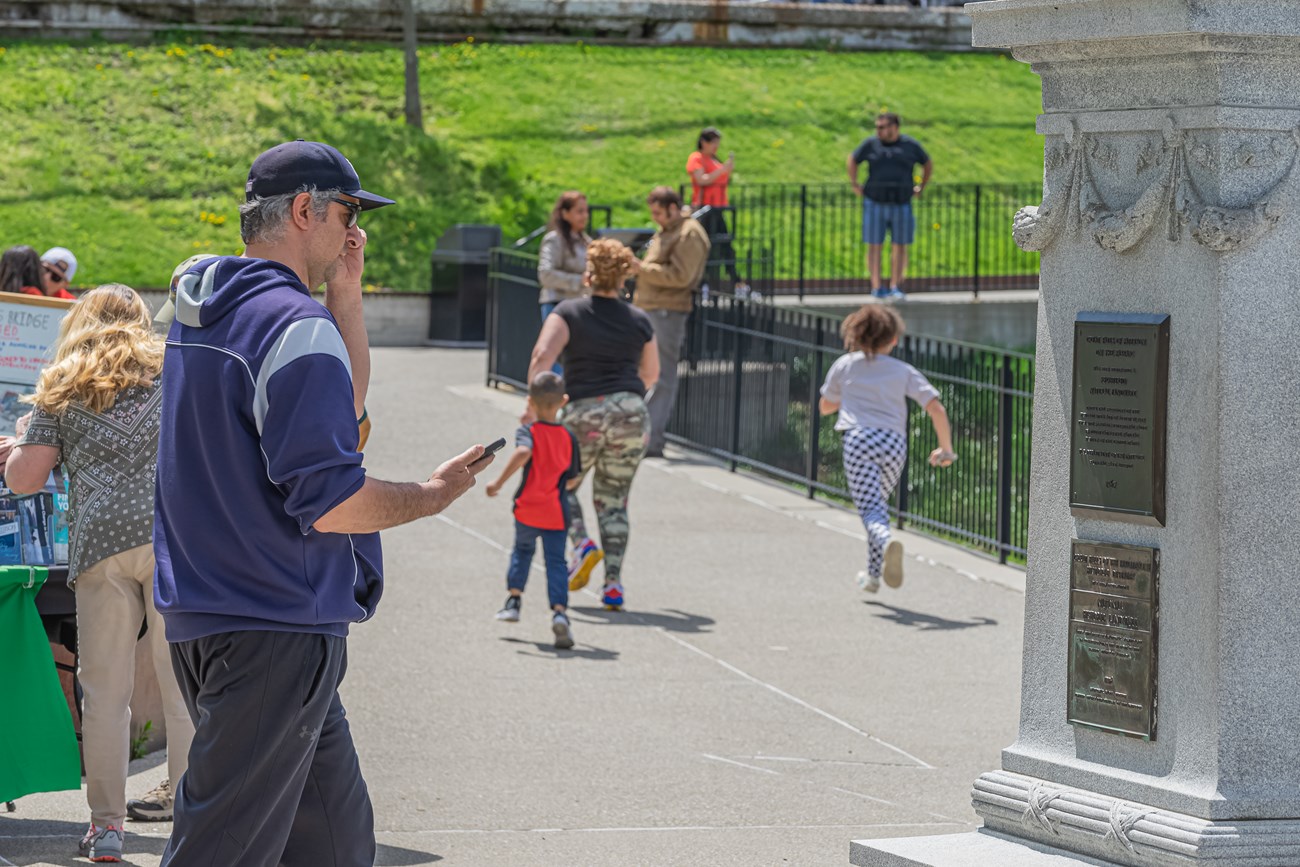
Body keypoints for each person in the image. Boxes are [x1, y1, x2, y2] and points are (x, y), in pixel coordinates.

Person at [152, 140, 494, 867]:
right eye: (347, 212)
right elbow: (333, 502)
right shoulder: (290, 327)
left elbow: (341, 408)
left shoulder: (208, 308)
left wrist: (345, 296)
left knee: (335, 842)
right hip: (272, 623)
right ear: (305, 209)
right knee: (222, 851)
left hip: (219, 611)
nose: (355, 231)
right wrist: (431, 496)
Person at [4, 284, 196, 863]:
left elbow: (23, 481)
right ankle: (192, 824)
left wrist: (20, 445)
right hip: (175, 542)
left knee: (104, 693)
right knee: (184, 688)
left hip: (100, 548)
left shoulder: (64, 381)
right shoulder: (177, 369)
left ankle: (107, 828)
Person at [528, 238, 659, 611]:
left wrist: (535, 406)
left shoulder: (569, 312)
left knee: (558, 484)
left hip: (582, 411)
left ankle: (582, 542)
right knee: (614, 500)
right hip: (631, 413)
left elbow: (542, 358)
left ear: (588, 273)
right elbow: (651, 374)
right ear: (623, 279)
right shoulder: (640, 320)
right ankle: (614, 585)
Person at [818, 305, 955, 592]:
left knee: (870, 510)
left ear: (857, 335)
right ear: (893, 339)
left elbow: (825, 406)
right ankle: (872, 575)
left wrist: (853, 399)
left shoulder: (845, 365)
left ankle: (886, 541)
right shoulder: (903, 370)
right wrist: (946, 449)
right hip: (893, 444)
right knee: (877, 507)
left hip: (859, 440)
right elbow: (935, 408)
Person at [486, 371, 582, 648]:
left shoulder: (527, 432)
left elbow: (523, 452)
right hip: (556, 512)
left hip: (527, 509)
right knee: (556, 563)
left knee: (522, 551)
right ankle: (560, 614)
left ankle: (514, 601)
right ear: (563, 401)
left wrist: (498, 481)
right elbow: (573, 477)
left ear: (530, 401)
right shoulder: (568, 437)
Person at [633, 186, 710, 458]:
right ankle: (639, 435)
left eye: (658, 213)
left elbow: (682, 277)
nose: (655, 218)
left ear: (673, 209)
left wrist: (640, 269)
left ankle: (652, 441)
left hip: (667, 312)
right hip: (650, 309)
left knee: (661, 376)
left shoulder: (689, 233)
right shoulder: (669, 229)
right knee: (644, 375)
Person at [846, 112, 933, 299]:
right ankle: (876, 286)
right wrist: (854, 184)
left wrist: (921, 187)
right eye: (877, 127)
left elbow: (927, 163)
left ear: (894, 127)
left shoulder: (909, 145)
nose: (878, 131)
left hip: (901, 202)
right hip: (875, 201)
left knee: (900, 245)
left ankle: (896, 285)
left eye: (882, 127)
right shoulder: (871, 145)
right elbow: (853, 160)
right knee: (874, 244)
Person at [687, 127, 747, 294]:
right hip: (705, 209)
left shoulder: (714, 159)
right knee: (705, 248)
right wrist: (723, 170)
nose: (716, 147)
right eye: (713, 143)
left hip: (718, 208)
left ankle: (736, 282)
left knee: (725, 245)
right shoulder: (697, 158)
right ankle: (703, 284)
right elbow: (701, 179)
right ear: (703, 142)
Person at [537, 191, 592, 321]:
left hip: (582, 306)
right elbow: (545, 275)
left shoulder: (588, 241)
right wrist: (579, 280)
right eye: (580, 211)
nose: (585, 216)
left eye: (586, 211)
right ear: (565, 214)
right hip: (557, 306)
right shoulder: (554, 240)